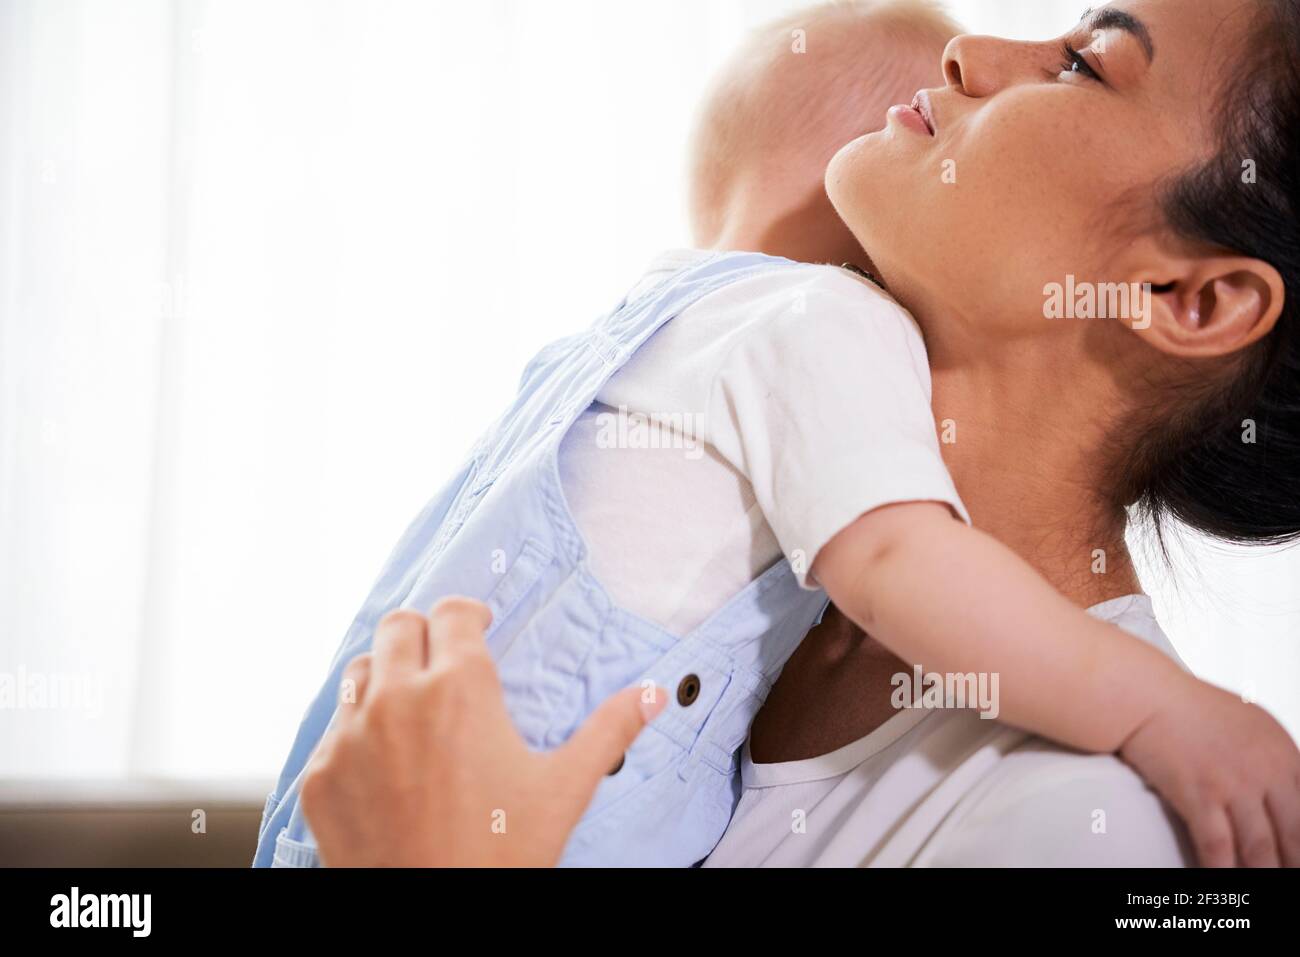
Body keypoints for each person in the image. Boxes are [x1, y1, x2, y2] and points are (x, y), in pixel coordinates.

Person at [266, 0, 1300, 869]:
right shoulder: (755, 538)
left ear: (1190, 299)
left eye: (1079, 65)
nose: (969, 54)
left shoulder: (1085, 825)